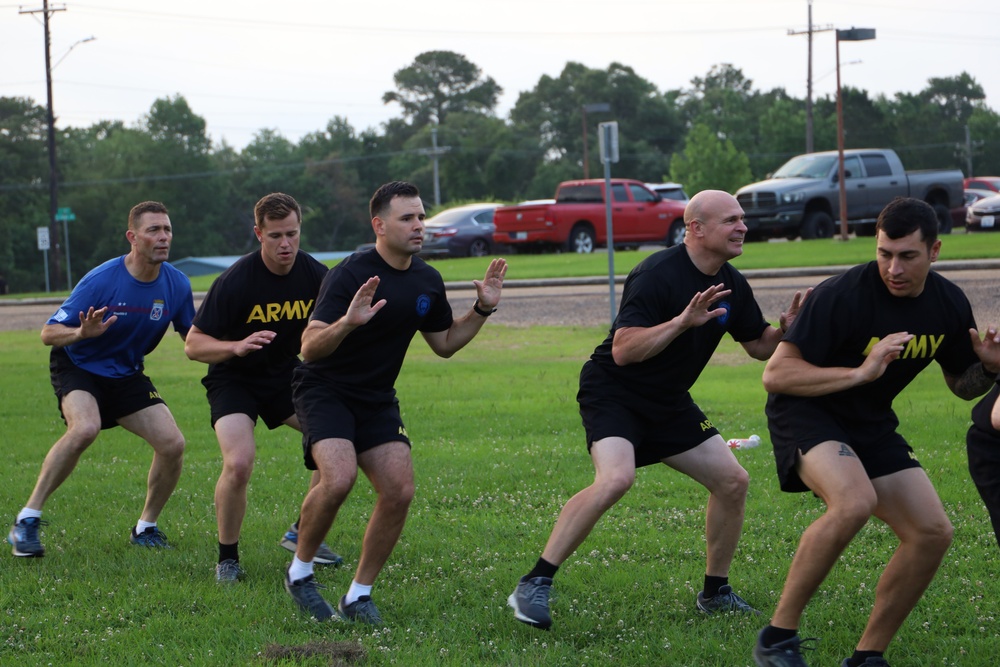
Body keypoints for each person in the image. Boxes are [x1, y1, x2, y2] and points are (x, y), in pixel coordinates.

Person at [508, 190, 808, 631]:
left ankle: (715, 593)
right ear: (696, 228)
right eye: (731, 220)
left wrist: (785, 333)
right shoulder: (657, 273)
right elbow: (625, 350)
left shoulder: (731, 281)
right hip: (614, 391)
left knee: (732, 480)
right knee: (616, 478)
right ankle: (534, 583)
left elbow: (757, 345)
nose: (743, 226)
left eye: (742, 218)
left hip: (668, 400)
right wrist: (681, 322)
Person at [753, 197, 1000, 667]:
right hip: (807, 411)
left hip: (869, 422)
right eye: (885, 253)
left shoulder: (948, 303)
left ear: (935, 251)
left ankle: (868, 658)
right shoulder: (842, 294)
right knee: (854, 501)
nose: (893, 267)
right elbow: (776, 375)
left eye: (907, 255)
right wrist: (859, 374)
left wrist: (987, 370)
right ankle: (777, 639)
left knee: (932, 532)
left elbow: (961, 386)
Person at [283, 181, 507, 624]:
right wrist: (347, 323)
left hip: (376, 396)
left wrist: (482, 310)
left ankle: (358, 596)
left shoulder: (427, 278)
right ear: (379, 225)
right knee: (339, 477)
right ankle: (300, 571)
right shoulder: (349, 274)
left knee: (399, 490)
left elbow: (445, 343)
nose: (419, 226)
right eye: (408, 218)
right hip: (324, 387)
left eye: (421, 216)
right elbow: (309, 347)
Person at [7, 201, 195, 557]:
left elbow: (194, 337)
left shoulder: (177, 285)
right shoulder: (102, 280)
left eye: (167, 229)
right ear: (132, 237)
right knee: (84, 428)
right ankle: (26, 522)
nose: (163, 237)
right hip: (79, 365)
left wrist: (235, 347)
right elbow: (49, 333)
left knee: (173, 444)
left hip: (126, 372)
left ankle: (146, 528)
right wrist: (82, 332)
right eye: (153, 230)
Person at [184, 193, 343, 583]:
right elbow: (193, 344)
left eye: (292, 234)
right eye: (275, 236)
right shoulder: (236, 280)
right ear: (258, 233)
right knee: (238, 463)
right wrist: (234, 347)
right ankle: (228, 559)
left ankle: (302, 532)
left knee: (337, 441)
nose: (285, 244)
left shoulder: (315, 275)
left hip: (285, 376)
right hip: (233, 378)